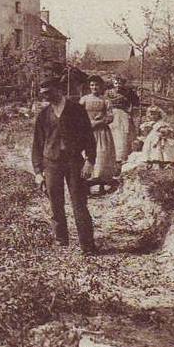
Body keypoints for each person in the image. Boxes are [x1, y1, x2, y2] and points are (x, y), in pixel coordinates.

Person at [32, 78, 98, 254]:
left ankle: (87, 245)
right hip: (51, 163)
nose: (45, 97)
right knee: (55, 202)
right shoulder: (44, 115)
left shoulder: (77, 110)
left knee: (79, 203)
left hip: (74, 162)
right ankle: (61, 240)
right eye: (43, 94)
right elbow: (37, 145)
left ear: (58, 90)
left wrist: (90, 161)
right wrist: (38, 171)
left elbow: (89, 138)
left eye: (48, 93)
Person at [80, 75, 118, 182]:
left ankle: (100, 180)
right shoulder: (84, 99)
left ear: (101, 86)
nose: (94, 87)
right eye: (92, 85)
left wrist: (99, 122)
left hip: (101, 132)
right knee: (86, 154)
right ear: (89, 86)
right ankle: (86, 179)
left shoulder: (105, 100)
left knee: (101, 153)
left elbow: (110, 117)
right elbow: (77, 115)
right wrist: (86, 123)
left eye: (97, 85)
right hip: (87, 131)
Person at [107, 92, 132, 170]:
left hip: (120, 129)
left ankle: (119, 164)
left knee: (120, 143)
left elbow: (126, 127)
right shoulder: (110, 111)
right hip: (113, 128)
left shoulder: (123, 113)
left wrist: (127, 130)